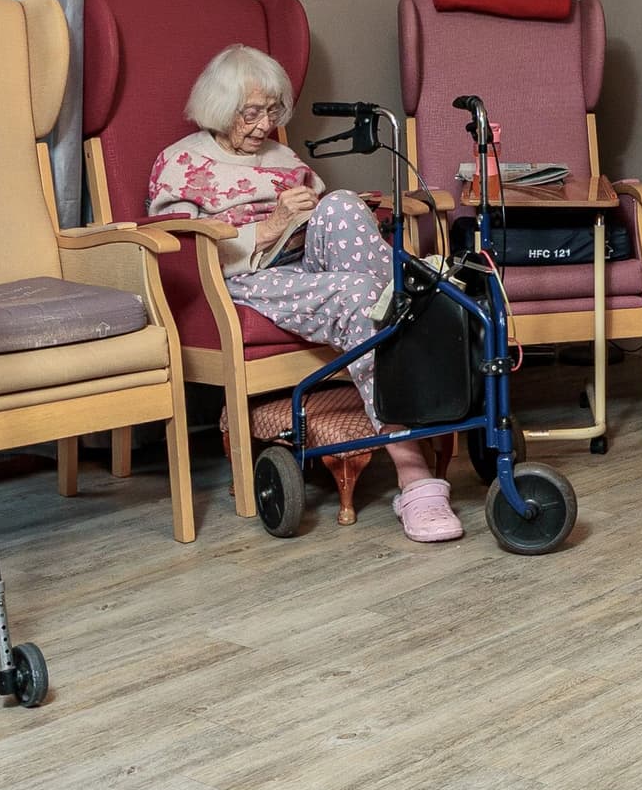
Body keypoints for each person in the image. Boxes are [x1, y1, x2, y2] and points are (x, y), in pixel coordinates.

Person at [150, 44, 463, 542]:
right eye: (251, 113)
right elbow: (179, 249)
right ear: (220, 107)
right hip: (243, 277)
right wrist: (271, 225)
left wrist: (317, 212)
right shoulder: (181, 162)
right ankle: (414, 474)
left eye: (273, 111)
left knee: (341, 203)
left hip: (304, 263)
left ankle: (413, 300)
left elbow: (324, 219)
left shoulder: (283, 156)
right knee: (360, 296)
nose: (265, 125)